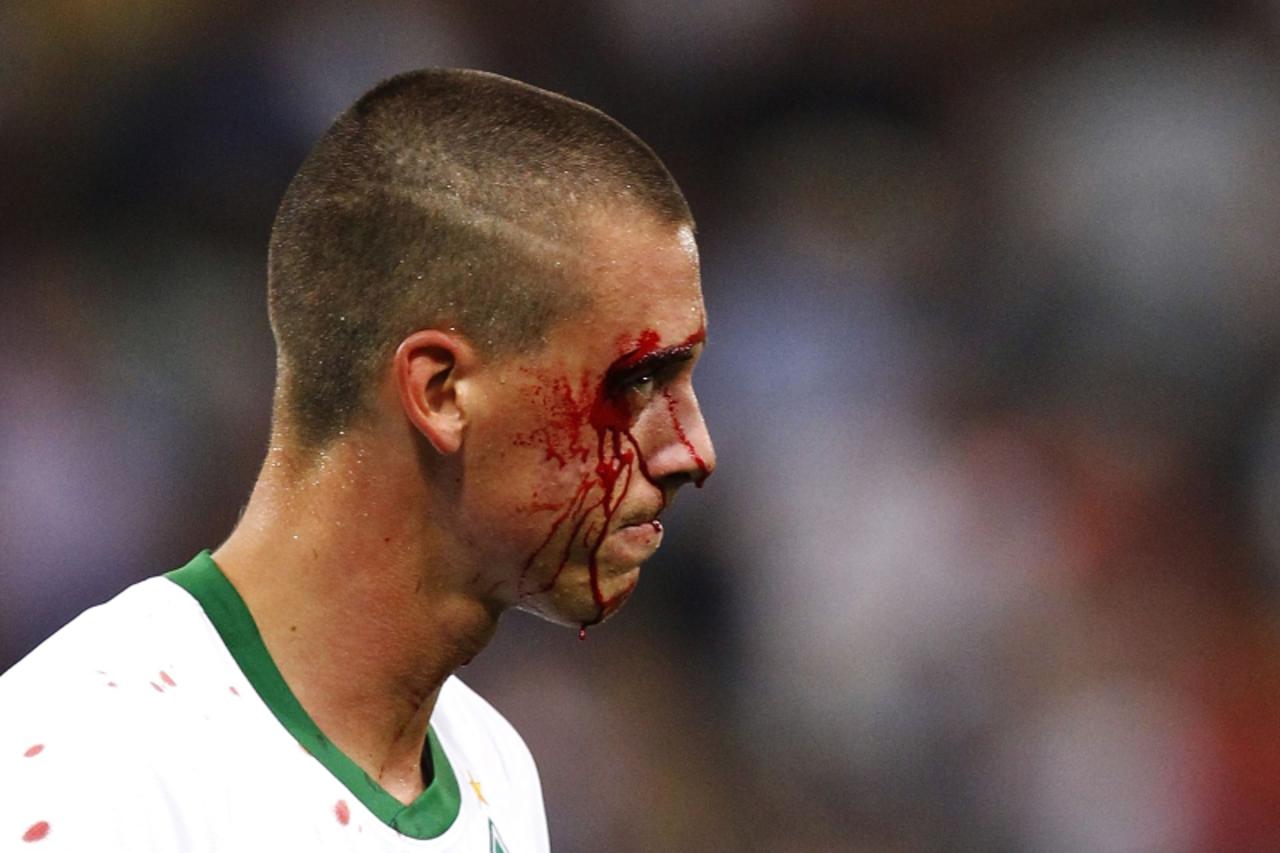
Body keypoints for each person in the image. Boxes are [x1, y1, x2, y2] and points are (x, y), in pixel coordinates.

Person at [0, 68, 714, 850]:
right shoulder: (91, 769)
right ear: (441, 392)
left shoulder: (493, 768)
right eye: (639, 379)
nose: (694, 450)